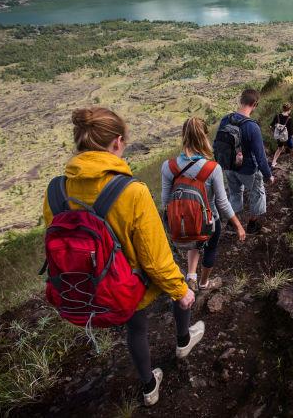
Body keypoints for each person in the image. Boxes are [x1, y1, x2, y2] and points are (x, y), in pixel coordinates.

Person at [42, 107, 203, 407]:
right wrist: (181, 292)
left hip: (89, 286)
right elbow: (155, 259)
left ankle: (148, 386)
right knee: (177, 284)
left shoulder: (55, 190)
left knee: (136, 327)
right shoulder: (132, 192)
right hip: (129, 285)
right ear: (117, 143)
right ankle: (183, 340)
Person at [162, 117, 246, 292]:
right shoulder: (212, 168)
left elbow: (165, 201)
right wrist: (238, 225)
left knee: (193, 240)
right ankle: (203, 283)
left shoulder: (168, 167)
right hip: (209, 222)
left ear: (184, 136)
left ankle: (191, 276)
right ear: (204, 137)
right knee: (210, 249)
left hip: (184, 222)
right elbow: (222, 203)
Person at [217, 89, 274, 235]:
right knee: (257, 193)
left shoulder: (225, 120)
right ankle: (253, 224)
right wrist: (268, 175)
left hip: (228, 167)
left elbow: (218, 145)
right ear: (254, 104)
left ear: (241, 101)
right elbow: (260, 156)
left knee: (235, 193)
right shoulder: (252, 127)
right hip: (247, 170)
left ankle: (232, 224)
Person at [270, 102, 293, 168]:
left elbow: (271, 126)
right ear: (289, 110)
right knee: (292, 149)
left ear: (283, 108)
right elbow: (290, 132)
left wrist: (274, 132)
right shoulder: (289, 119)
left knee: (279, 149)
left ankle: (273, 163)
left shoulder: (277, 116)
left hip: (279, 136)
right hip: (287, 137)